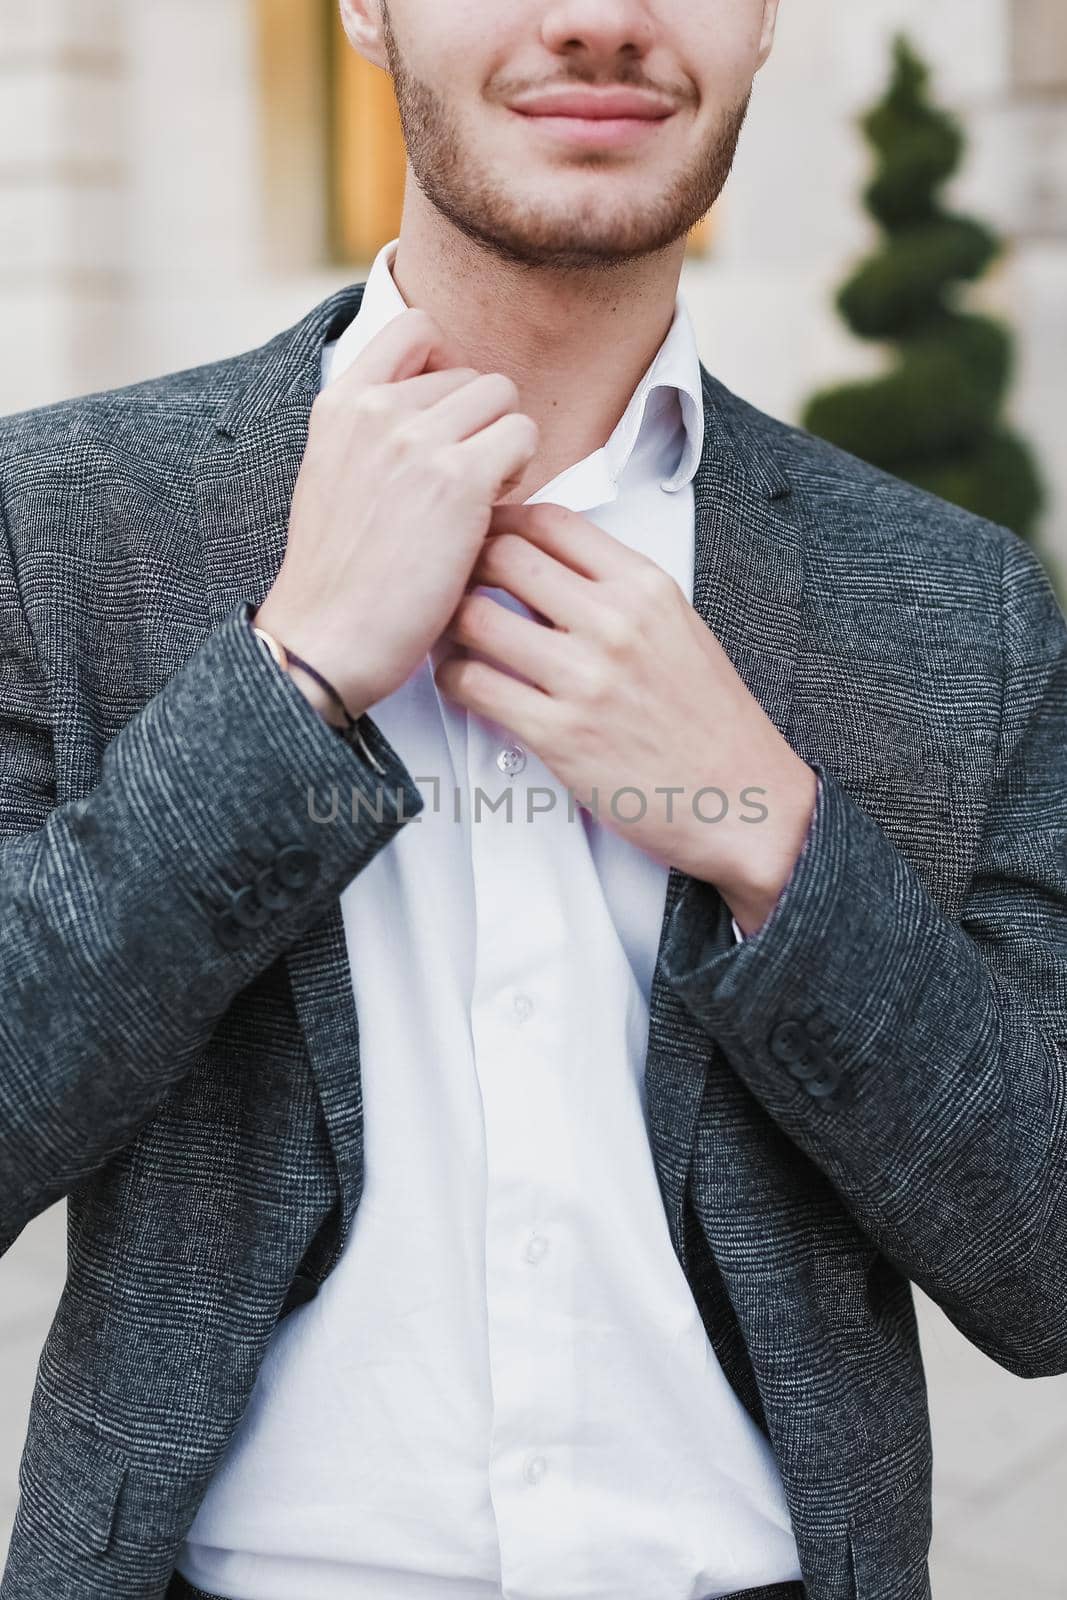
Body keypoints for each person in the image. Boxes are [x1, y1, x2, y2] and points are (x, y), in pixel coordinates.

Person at [0, 1, 1064, 1597]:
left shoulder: (954, 602)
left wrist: (766, 824)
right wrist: (287, 686)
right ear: (363, 8)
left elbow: (1045, 1260)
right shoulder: (65, 524)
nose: (600, 20)